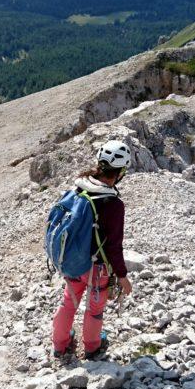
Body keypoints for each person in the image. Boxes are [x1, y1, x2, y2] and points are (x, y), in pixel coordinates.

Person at [51, 140, 133, 360]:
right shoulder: (113, 204)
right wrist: (123, 276)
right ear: (121, 172)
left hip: (72, 261)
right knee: (94, 309)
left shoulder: (79, 188)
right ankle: (92, 347)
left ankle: (59, 345)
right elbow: (114, 246)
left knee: (69, 302)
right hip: (97, 267)